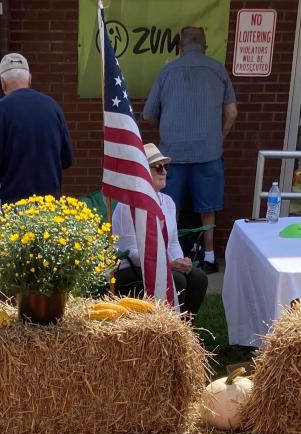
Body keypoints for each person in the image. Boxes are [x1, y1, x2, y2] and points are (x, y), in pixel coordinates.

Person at [142, 26, 237, 274]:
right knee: (208, 208)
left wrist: (169, 127)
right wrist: (218, 136)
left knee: (170, 206)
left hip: (172, 152)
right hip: (209, 151)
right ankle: (209, 257)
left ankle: (169, 257)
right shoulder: (218, 71)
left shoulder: (166, 72)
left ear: (179, 48)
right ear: (204, 47)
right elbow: (232, 113)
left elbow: (148, 115)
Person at [112, 143, 207, 320]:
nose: (164, 171)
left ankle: (183, 332)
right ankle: (165, 332)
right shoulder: (128, 205)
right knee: (176, 281)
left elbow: (172, 242)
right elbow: (131, 252)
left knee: (198, 278)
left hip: (161, 264)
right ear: (142, 172)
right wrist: (167, 265)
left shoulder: (168, 202)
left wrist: (180, 261)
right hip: (130, 269)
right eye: (158, 167)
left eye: (165, 166)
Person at [0, 52, 73, 205]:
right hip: (50, 206)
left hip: (16, 207)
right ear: (29, 79)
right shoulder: (52, 107)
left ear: (2, 83)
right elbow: (67, 159)